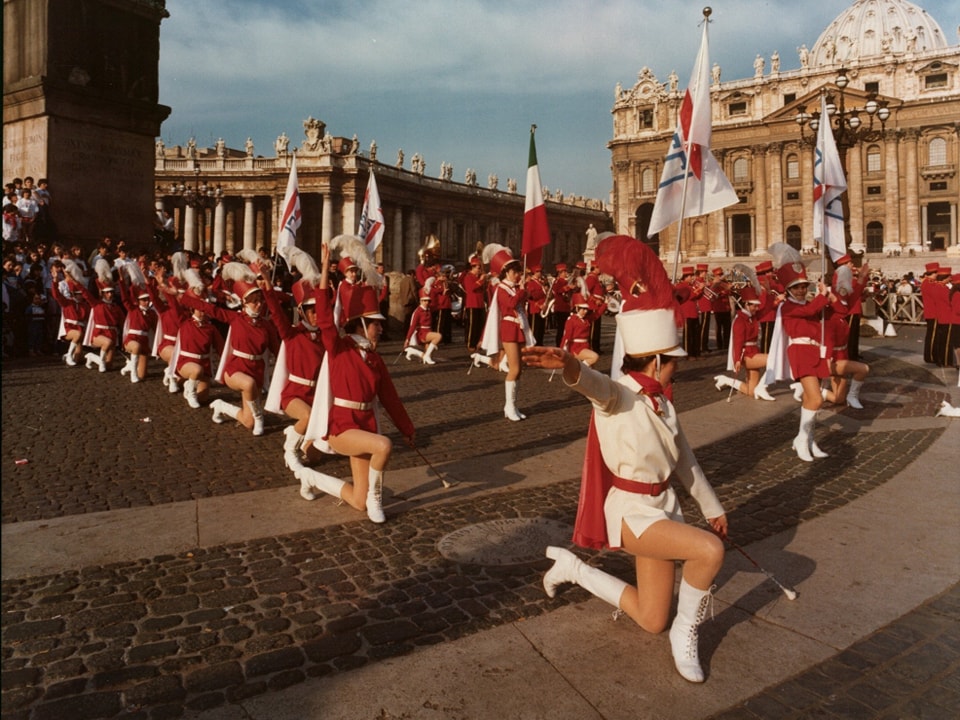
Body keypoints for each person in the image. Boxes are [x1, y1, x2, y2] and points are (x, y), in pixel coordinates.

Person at [522, 234, 727, 684]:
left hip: (661, 509)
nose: (679, 366)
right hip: (631, 512)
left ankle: (574, 570)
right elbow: (593, 383)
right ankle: (685, 633)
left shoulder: (665, 405)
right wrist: (568, 364)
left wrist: (713, 509)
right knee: (709, 553)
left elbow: (686, 464)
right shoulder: (620, 396)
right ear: (655, 360)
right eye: (673, 361)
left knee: (650, 616)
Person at [300, 239, 416, 523]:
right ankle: (379, 499)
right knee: (383, 446)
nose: (380, 327)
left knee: (357, 502)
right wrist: (326, 269)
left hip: (365, 425)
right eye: (376, 323)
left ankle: (311, 477)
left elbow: (390, 397)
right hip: (342, 426)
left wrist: (407, 428)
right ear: (362, 324)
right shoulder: (339, 346)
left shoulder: (375, 359)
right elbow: (325, 317)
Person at [180, 262, 279, 436]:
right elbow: (209, 308)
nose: (258, 304)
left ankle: (221, 406)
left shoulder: (266, 325)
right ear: (244, 303)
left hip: (256, 371)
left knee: (247, 422)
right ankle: (260, 416)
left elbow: (277, 350)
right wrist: (182, 297)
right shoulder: (235, 318)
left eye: (260, 300)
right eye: (254, 301)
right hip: (236, 369)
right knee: (248, 385)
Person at [765, 243, 836, 462]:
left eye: (804, 286)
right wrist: (822, 297)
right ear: (788, 290)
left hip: (815, 352)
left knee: (810, 398)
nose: (801, 290)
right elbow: (808, 310)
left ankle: (809, 439)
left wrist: (829, 300)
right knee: (815, 399)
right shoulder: (788, 307)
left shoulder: (808, 303)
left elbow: (823, 321)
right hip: (800, 352)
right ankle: (801, 438)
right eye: (796, 287)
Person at [263, 246, 327, 475]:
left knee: (316, 454)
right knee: (307, 417)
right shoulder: (292, 334)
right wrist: (267, 285)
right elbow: (277, 315)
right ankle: (289, 449)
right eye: (311, 311)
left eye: (319, 310)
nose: (316, 315)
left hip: (316, 396)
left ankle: (295, 433)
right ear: (302, 312)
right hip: (293, 395)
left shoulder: (324, 337)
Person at [478, 244, 534, 421]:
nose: (518, 275)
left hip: (518, 328)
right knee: (514, 368)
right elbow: (510, 304)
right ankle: (508, 406)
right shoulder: (501, 288)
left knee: (519, 370)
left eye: (519, 272)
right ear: (507, 273)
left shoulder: (515, 288)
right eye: (515, 272)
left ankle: (514, 405)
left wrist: (524, 291)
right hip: (509, 329)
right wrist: (522, 291)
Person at [714, 283, 776, 400]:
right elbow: (737, 342)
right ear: (746, 304)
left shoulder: (753, 316)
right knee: (773, 359)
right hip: (746, 355)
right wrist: (737, 360)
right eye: (754, 306)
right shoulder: (739, 320)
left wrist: (770, 295)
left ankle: (726, 380)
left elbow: (766, 309)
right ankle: (762, 387)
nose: (756, 308)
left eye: (757, 306)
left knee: (751, 392)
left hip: (754, 351)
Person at [822, 264, 871, 409]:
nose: (846, 307)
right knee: (863, 369)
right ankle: (853, 395)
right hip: (832, 358)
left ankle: (818, 391)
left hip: (842, 354)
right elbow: (828, 341)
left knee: (838, 399)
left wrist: (862, 277)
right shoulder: (832, 316)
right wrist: (826, 362)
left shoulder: (842, 310)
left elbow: (855, 293)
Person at [78, 259, 126, 373]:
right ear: (103, 293)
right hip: (99, 334)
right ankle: (101, 363)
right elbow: (85, 292)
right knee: (107, 343)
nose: (110, 294)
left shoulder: (116, 307)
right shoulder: (97, 304)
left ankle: (92, 357)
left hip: (112, 334)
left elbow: (122, 323)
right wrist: (76, 281)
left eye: (112, 292)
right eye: (107, 292)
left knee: (109, 365)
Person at [49, 260, 90, 366]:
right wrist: (55, 281)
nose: (81, 296)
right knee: (78, 334)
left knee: (78, 359)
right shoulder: (68, 303)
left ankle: (70, 356)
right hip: (69, 330)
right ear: (74, 294)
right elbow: (56, 295)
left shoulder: (84, 305)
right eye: (78, 294)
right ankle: (68, 355)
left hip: (80, 331)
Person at [559, 293, 600, 366]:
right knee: (594, 357)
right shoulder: (571, 320)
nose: (586, 311)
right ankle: (579, 369)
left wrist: (605, 304)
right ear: (577, 308)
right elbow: (567, 336)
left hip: (585, 346)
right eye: (583, 309)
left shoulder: (586, 319)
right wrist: (562, 350)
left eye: (586, 309)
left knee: (591, 370)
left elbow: (597, 314)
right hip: (576, 348)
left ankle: (580, 370)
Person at [404, 288, 442, 364]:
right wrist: (407, 339)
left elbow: (437, 302)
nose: (426, 302)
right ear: (420, 301)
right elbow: (412, 326)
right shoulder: (417, 312)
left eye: (428, 301)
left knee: (428, 356)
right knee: (438, 336)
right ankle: (426, 356)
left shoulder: (429, 309)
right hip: (422, 333)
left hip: (429, 331)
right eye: (424, 300)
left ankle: (413, 351)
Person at [462, 255, 488, 353]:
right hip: (472, 304)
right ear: (473, 267)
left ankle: (478, 342)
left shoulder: (477, 277)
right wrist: (481, 280)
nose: (479, 270)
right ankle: (470, 344)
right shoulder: (468, 277)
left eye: (480, 268)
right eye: (478, 268)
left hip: (480, 304)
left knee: (480, 325)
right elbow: (471, 288)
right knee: (472, 326)